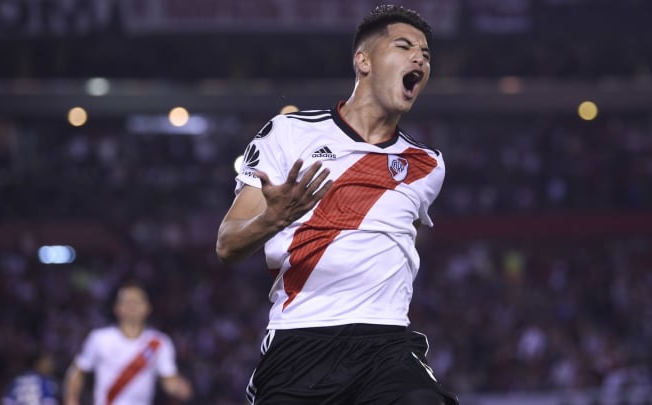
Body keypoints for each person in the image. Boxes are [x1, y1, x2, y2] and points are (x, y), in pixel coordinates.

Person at [216, 4, 458, 405]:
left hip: (387, 345)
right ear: (363, 61)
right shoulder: (288, 134)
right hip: (301, 342)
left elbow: (405, 234)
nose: (419, 57)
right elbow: (226, 246)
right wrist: (273, 219)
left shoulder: (428, 164)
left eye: (426, 54)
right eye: (404, 46)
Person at [63, 282, 193, 405]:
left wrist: (180, 387)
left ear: (148, 307)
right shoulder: (99, 339)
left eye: (137, 301)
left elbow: (168, 380)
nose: (133, 306)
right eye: (127, 302)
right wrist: (71, 400)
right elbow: (79, 370)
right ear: (117, 308)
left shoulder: (159, 342)